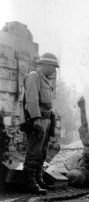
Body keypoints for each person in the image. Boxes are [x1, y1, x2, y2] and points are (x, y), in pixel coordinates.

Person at [22, 53, 59, 194]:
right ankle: (30, 183)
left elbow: (48, 104)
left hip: (46, 120)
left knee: (42, 152)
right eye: (53, 67)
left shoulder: (45, 80)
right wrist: (36, 119)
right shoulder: (34, 76)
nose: (54, 70)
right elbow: (31, 99)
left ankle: (39, 179)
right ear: (47, 65)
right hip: (38, 120)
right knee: (34, 151)